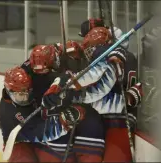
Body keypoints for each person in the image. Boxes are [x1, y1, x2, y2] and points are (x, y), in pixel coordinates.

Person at [42, 26, 143, 162]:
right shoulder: (126, 56)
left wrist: (70, 91)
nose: (88, 54)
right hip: (111, 119)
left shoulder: (108, 59)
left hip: (119, 121)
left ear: (102, 46)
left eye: (91, 49)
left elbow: (99, 90)